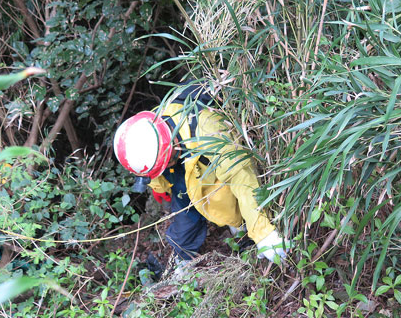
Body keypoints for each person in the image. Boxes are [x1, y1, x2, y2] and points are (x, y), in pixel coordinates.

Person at [113, 83, 286, 264]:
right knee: (183, 219)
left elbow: (242, 179)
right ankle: (181, 262)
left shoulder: (209, 130)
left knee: (225, 201)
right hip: (183, 169)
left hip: (206, 168)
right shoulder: (150, 126)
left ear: (169, 155)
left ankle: (241, 227)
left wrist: (264, 234)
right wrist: (158, 184)